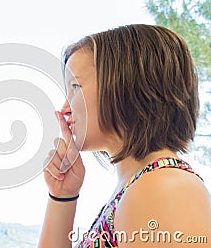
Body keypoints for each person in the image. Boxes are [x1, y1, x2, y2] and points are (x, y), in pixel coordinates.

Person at [39, 24, 211, 247]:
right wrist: (63, 196)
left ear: (125, 85)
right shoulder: (142, 186)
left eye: (75, 87)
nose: (65, 108)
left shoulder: (164, 188)